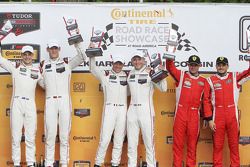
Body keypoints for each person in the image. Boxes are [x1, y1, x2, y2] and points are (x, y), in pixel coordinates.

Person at [40, 39, 86, 167]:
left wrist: (77, 43)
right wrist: (43, 84)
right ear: (47, 50)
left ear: (59, 49)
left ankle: (64, 163)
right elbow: (40, 81)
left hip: (64, 101)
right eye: (51, 48)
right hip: (50, 101)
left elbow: (82, 57)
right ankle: (49, 163)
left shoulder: (67, 63)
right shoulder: (43, 64)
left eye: (56, 48)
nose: (54, 50)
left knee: (64, 136)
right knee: (50, 135)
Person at [0, 45, 44, 167]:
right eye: (25, 54)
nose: (27, 56)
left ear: (32, 56)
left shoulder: (37, 71)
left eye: (29, 54)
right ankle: (16, 163)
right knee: (16, 136)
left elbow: (46, 85)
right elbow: (0, 59)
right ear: (21, 56)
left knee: (30, 136)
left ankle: (30, 163)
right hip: (17, 103)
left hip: (30, 103)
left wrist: (46, 70)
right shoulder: (15, 67)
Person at [203, 57, 250, 167]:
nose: (221, 67)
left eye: (223, 65)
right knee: (217, 147)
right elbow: (206, 101)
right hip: (217, 117)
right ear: (216, 66)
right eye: (219, 64)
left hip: (232, 116)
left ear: (227, 66)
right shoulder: (210, 80)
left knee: (234, 146)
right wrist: (209, 119)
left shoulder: (235, 77)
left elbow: (248, 72)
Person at [127, 52, 167, 167]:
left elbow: (163, 89)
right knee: (131, 144)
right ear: (132, 61)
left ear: (143, 60)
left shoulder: (150, 72)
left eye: (139, 59)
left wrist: (162, 74)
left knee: (149, 143)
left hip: (146, 111)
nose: (136, 62)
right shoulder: (130, 74)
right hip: (132, 111)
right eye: (134, 59)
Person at [165, 55, 206, 167]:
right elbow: (170, 67)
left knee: (192, 146)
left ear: (199, 66)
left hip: (194, 115)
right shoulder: (181, 76)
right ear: (188, 65)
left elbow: (206, 101)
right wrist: (169, 55)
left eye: (195, 65)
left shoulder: (204, 81)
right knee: (177, 145)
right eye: (191, 64)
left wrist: (208, 117)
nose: (193, 67)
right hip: (180, 113)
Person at [89, 50, 128, 167]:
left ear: (123, 64)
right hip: (109, 108)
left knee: (119, 140)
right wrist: (92, 54)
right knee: (105, 139)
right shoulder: (105, 75)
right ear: (112, 63)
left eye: (120, 64)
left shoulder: (127, 76)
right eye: (116, 63)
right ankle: (97, 163)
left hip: (122, 110)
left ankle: (115, 163)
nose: (118, 66)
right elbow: (92, 68)